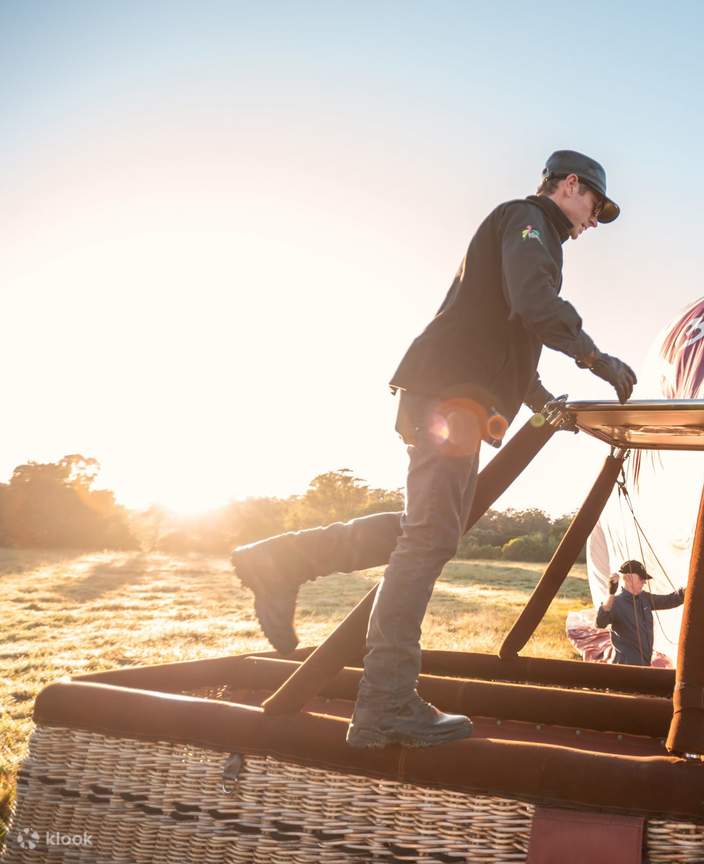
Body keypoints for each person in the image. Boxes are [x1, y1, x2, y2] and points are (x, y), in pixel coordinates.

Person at [234, 150, 637, 749]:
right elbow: (535, 307)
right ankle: (385, 701)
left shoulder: (527, 235)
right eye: (594, 207)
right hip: (450, 398)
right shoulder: (528, 222)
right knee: (430, 536)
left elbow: (512, 335)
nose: (593, 223)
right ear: (569, 185)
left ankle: (284, 560)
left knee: (427, 529)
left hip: (450, 395)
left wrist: (547, 405)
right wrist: (597, 358)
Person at [595, 559, 685, 666]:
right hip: (625, 668)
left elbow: (669, 600)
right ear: (628, 578)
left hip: (644, 665)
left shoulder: (644, 598)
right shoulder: (615, 603)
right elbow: (599, 623)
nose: (644, 582)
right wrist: (611, 594)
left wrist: (688, 589)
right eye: (641, 578)